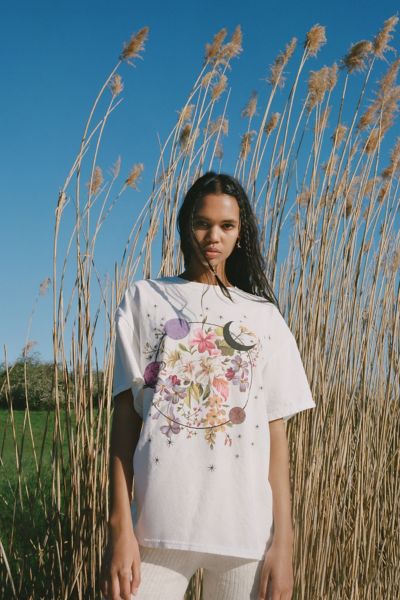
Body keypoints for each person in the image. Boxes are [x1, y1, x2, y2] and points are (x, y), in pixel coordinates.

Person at [100, 171, 316, 600]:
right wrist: (120, 529)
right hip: (156, 531)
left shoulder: (264, 317)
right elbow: (125, 421)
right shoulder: (145, 299)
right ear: (185, 225)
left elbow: (276, 437)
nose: (213, 236)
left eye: (227, 225)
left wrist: (284, 544)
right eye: (202, 223)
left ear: (241, 233)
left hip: (245, 536)